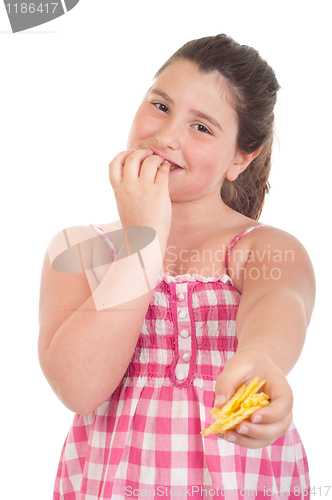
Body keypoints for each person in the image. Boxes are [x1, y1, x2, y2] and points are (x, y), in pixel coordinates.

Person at [38, 34, 315, 499]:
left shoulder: (262, 248)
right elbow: (79, 387)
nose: (166, 137)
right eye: (161, 106)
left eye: (202, 127)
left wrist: (261, 359)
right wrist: (144, 240)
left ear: (241, 158)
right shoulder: (78, 250)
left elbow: (278, 304)